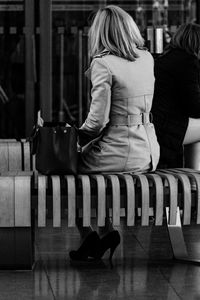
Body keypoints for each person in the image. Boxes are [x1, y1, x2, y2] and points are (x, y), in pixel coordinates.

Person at [69, 5, 160, 262]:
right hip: (147, 153)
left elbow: (97, 122)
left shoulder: (103, 64)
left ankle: (91, 234)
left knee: (71, 169)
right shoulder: (147, 58)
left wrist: (78, 138)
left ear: (99, 33)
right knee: (95, 176)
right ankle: (105, 233)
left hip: (120, 152)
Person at [152, 23, 200, 168]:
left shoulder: (165, 58)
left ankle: (193, 179)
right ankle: (194, 180)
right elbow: (195, 108)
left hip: (157, 125)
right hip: (167, 130)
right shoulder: (188, 62)